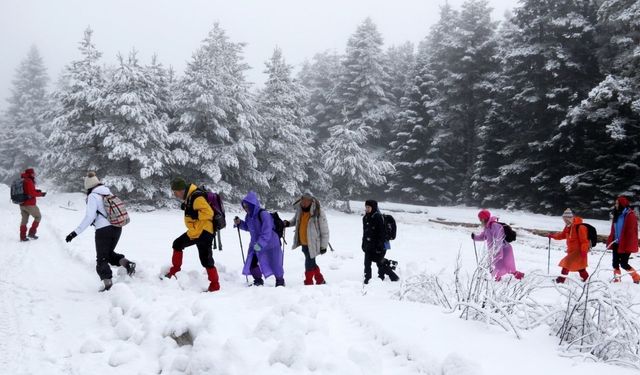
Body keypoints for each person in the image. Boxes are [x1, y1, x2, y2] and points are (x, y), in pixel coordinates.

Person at [65, 172, 136, 291]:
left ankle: (108, 286)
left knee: (101, 259)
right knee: (108, 254)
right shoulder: (108, 192)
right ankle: (127, 264)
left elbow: (89, 217)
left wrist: (74, 233)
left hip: (103, 230)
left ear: (88, 186)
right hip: (117, 227)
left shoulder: (93, 196)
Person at [164, 177, 220, 292]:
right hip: (200, 231)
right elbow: (196, 209)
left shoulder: (196, 197)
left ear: (181, 190)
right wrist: (188, 207)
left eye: (175, 192)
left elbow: (208, 213)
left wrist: (193, 213)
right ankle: (175, 272)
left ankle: (214, 285)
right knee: (181, 246)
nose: (175, 195)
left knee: (203, 258)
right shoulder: (190, 196)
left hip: (202, 231)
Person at [233, 191, 285, 287]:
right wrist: (240, 223)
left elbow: (267, 232)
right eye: (244, 206)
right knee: (252, 263)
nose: (245, 208)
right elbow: (249, 228)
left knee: (275, 264)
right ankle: (258, 280)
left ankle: (280, 281)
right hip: (256, 244)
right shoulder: (248, 217)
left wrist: (260, 244)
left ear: (253, 205)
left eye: (247, 206)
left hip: (271, 244)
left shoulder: (263, 214)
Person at [283, 191, 329, 285]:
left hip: (313, 243)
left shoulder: (318, 212)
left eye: (306, 201)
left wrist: (324, 246)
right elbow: (295, 220)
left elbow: (325, 230)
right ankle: (320, 280)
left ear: (311, 201)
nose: (303, 203)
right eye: (302, 200)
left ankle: (308, 282)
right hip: (303, 242)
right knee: (311, 262)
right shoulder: (300, 210)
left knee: (309, 261)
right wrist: (287, 223)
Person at [471, 209, 524, 281]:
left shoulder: (495, 226)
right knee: (497, 266)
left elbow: (499, 239)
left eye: (480, 219)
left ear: (484, 218)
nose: (480, 220)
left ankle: (517, 277)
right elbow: (483, 237)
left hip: (504, 249)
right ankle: (497, 278)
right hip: (495, 250)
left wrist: (498, 252)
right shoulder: (487, 227)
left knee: (507, 266)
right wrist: (475, 237)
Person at [548, 208, 589, 283]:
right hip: (571, 251)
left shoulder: (580, 227)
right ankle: (586, 278)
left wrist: (584, 251)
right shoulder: (568, 226)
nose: (565, 221)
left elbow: (584, 241)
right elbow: (562, 235)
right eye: (564, 219)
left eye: (566, 219)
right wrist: (553, 236)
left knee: (566, 263)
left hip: (579, 251)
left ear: (572, 217)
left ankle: (561, 280)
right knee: (580, 267)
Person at [362, 200, 399, 284]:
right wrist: (363, 244)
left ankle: (392, 277)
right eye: (366, 207)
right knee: (367, 262)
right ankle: (367, 279)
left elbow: (382, 234)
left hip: (380, 245)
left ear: (374, 207)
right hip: (369, 245)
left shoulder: (378, 218)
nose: (367, 209)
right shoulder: (365, 218)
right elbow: (365, 233)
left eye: (369, 207)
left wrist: (379, 246)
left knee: (379, 262)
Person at [607, 196, 639, 283]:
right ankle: (617, 279)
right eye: (615, 203)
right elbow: (613, 229)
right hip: (616, 243)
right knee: (615, 263)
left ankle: (636, 277)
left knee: (624, 264)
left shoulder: (630, 215)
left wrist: (627, 245)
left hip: (626, 244)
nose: (615, 205)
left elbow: (631, 233)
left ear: (622, 204)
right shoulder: (616, 214)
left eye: (617, 203)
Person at [18, 168, 46, 241]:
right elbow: (31, 193)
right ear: (30, 174)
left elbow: (27, 191)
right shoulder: (29, 180)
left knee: (24, 220)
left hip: (22, 204)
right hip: (29, 204)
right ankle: (31, 233)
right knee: (38, 217)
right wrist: (41, 194)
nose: (34, 174)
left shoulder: (23, 180)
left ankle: (22, 236)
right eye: (33, 173)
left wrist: (37, 190)